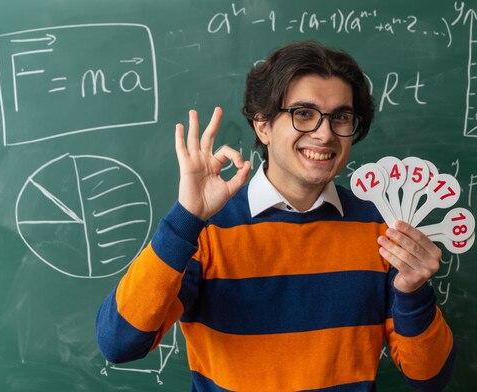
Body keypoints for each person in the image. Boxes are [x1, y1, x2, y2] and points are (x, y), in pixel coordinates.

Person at [96, 40, 455, 391]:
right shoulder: (203, 230)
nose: (325, 133)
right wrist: (185, 218)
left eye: (341, 117)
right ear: (263, 125)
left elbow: (429, 377)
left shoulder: (382, 226)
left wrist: (413, 292)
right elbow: (119, 343)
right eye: (303, 114)